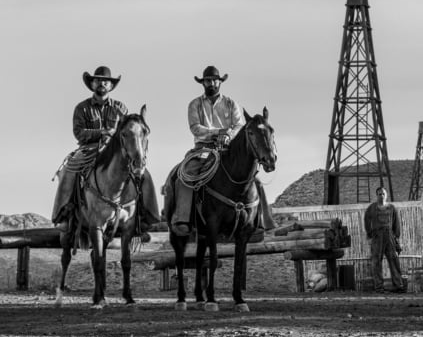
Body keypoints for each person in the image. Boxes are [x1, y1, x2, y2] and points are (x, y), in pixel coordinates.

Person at [53, 66, 161, 237]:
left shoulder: (121, 108)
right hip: (89, 148)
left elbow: (128, 132)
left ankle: (144, 216)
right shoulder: (82, 108)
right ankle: (64, 213)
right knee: (68, 170)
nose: (102, 84)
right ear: (92, 85)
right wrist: (102, 133)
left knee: (143, 173)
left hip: (115, 150)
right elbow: (79, 132)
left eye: (106, 82)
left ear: (111, 86)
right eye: (98, 81)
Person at [167, 66, 273, 236]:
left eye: (215, 80)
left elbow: (239, 125)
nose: (212, 83)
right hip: (203, 148)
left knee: (252, 178)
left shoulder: (232, 104)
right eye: (208, 80)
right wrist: (217, 133)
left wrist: (228, 136)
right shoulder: (195, 104)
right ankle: (183, 219)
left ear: (220, 82)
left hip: (228, 149)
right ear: (203, 83)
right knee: (186, 173)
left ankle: (260, 222)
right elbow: (195, 128)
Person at [364, 186, 407, 292]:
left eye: (383, 193)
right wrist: (370, 234)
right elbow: (366, 220)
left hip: (389, 236)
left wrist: (396, 238)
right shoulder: (371, 208)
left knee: (393, 260)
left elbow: (396, 223)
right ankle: (379, 287)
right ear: (376, 196)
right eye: (379, 194)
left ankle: (398, 285)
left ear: (386, 195)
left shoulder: (392, 208)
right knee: (376, 261)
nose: (381, 196)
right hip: (377, 237)